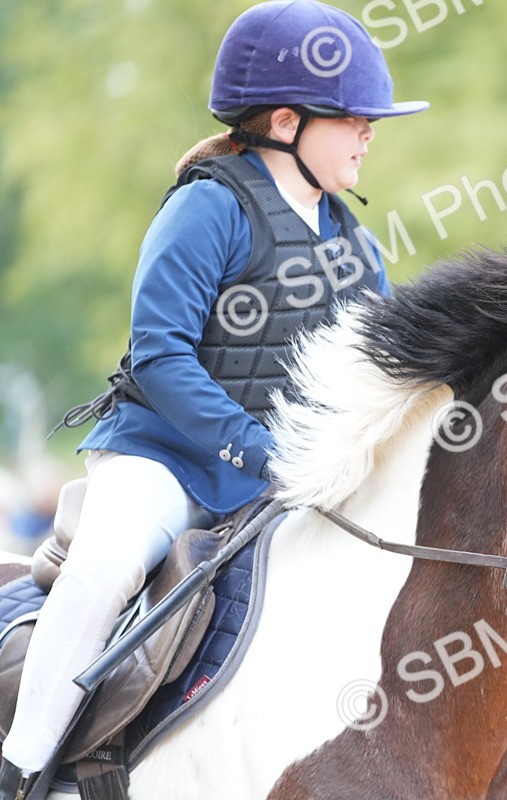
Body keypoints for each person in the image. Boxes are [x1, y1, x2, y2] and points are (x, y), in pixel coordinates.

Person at [0, 2, 427, 796]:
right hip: (166, 459)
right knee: (105, 569)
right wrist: (260, 451)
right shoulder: (208, 207)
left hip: (290, 479)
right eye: (354, 118)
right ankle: (21, 766)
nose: (371, 130)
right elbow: (160, 355)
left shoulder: (355, 245)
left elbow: (385, 374)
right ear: (288, 121)